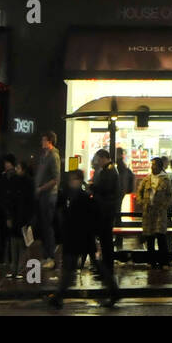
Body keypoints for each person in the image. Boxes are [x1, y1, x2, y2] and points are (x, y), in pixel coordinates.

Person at [50, 171, 119, 308]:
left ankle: (113, 290)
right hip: (77, 237)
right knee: (73, 267)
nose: (71, 182)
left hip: (81, 236)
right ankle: (113, 291)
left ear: (79, 180)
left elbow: (91, 217)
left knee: (75, 267)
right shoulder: (71, 195)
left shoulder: (83, 197)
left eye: (74, 179)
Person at [137, 157, 172, 269]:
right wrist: (142, 202)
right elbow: (139, 192)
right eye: (151, 165)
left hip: (160, 212)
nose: (152, 167)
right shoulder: (147, 179)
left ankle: (164, 262)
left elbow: (170, 195)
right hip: (148, 212)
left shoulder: (165, 180)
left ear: (159, 166)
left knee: (161, 236)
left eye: (154, 165)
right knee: (150, 237)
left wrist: (164, 205)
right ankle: (151, 261)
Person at [90, 149, 121, 275]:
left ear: (103, 158)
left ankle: (107, 265)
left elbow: (105, 189)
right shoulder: (110, 170)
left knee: (105, 238)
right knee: (105, 238)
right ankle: (106, 264)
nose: (98, 161)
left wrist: (93, 187)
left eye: (99, 159)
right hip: (106, 208)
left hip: (106, 209)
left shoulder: (109, 171)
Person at [34, 131, 61, 265]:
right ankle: (47, 254)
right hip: (43, 194)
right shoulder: (44, 156)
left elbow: (55, 178)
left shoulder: (53, 156)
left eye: (44, 140)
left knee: (47, 225)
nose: (41, 142)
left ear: (49, 141)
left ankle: (50, 256)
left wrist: (41, 188)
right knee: (44, 225)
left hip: (49, 195)